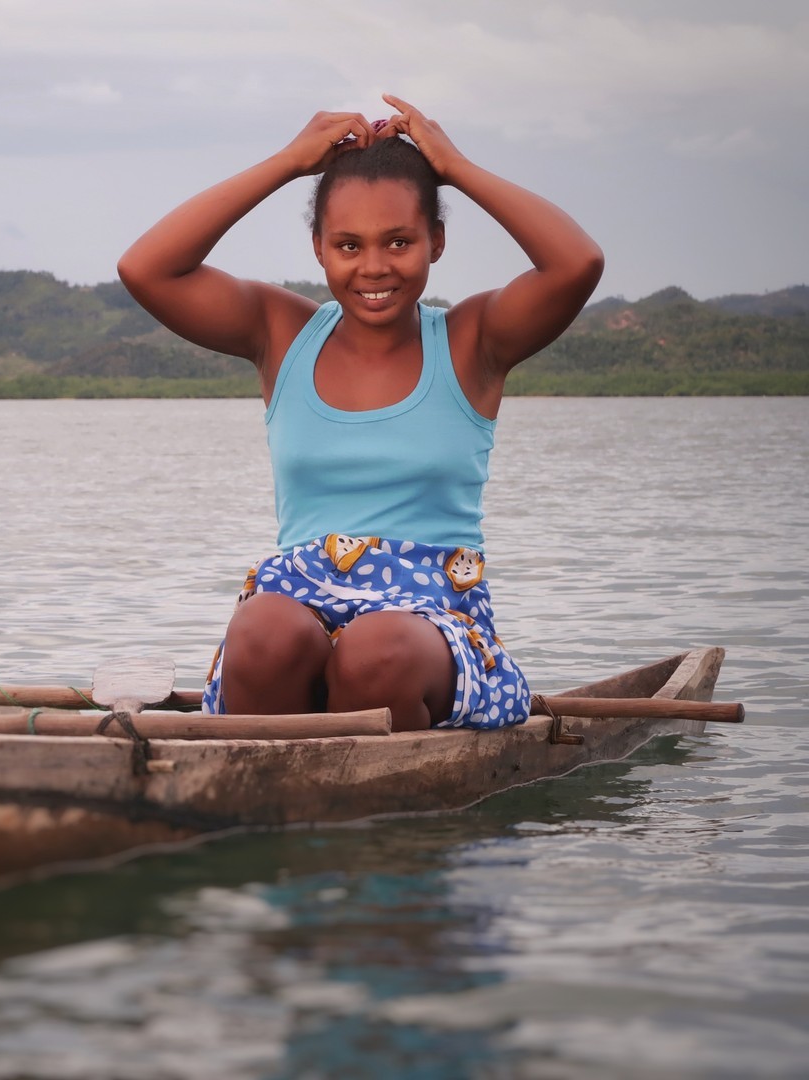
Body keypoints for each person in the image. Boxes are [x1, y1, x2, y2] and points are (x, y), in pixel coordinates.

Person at [117, 94, 603, 732]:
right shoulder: (281, 333)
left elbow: (577, 263)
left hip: (429, 626)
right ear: (318, 247)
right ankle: (274, 799)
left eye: (399, 241)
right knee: (260, 628)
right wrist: (289, 163)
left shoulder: (472, 342)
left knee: (376, 651)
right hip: (302, 601)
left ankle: (381, 822)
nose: (374, 267)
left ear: (437, 241)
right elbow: (146, 268)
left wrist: (454, 167)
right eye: (348, 245)